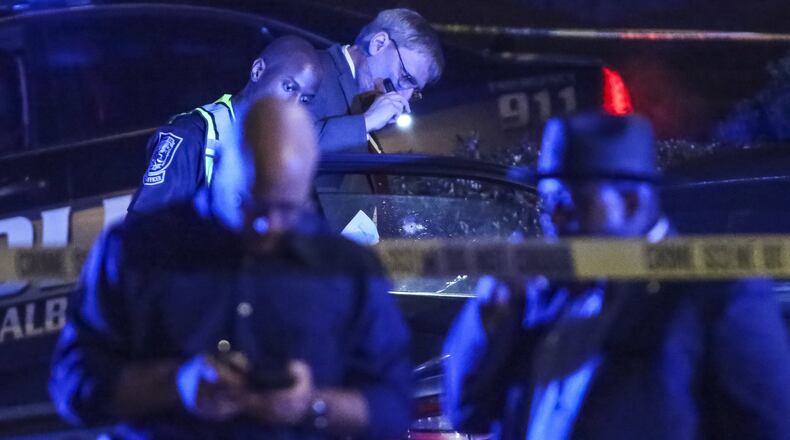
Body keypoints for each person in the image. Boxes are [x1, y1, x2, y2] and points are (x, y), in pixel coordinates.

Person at [50, 98, 413, 439]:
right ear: (219, 166)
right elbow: (72, 387)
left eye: (287, 208)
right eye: (250, 204)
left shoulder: (344, 267)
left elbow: (394, 407)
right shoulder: (135, 249)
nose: (266, 225)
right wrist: (177, 385)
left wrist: (312, 404)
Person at [442, 111, 790, 439]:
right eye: (548, 203)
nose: (555, 219)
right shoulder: (546, 294)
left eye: (571, 202)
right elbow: (467, 412)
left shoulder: (715, 298)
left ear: (630, 203)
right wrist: (492, 304)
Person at [126, 36, 322, 216]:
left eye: (305, 99)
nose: (294, 105)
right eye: (289, 87)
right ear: (258, 71)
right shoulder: (192, 136)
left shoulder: (281, 151)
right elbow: (143, 232)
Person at [308, 8, 444, 153]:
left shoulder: (361, 104)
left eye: (414, 90)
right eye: (405, 76)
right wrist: (368, 121)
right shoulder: (311, 69)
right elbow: (289, 148)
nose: (405, 97)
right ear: (378, 44)